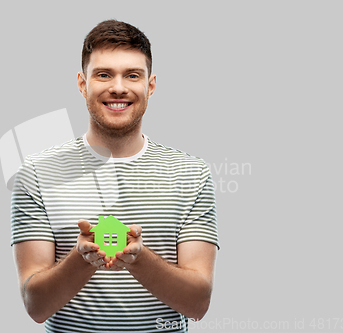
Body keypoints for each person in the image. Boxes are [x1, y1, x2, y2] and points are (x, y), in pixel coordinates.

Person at [11, 19, 219, 333]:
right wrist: (83, 258)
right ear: (83, 84)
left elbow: (198, 305)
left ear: (150, 85)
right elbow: (35, 305)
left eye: (132, 75)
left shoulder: (191, 174)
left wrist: (138, 259)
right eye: (104, 74)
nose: (118, 87)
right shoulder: (37, 173)